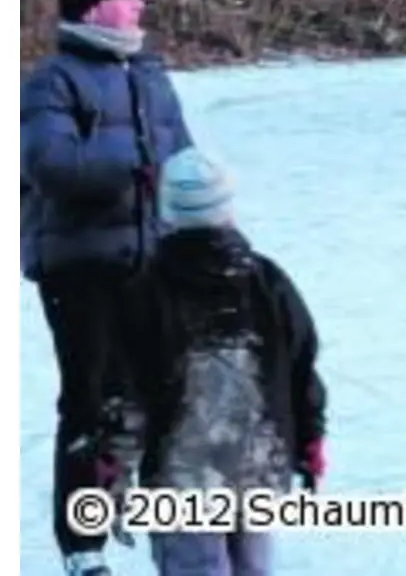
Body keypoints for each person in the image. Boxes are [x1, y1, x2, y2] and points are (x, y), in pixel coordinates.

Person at [21, 0, 197, 576]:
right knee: (89, 404)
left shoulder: (150, 76)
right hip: (81, 269)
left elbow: (183, 165)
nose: (139, 4)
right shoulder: (52, 81)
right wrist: (134, 161)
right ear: (93, 7)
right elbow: (50, 166)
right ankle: (82, 547)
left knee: (163, 394)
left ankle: (162, 525)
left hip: (152, 264)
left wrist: (201, 219)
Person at [105, 147, 328, 576]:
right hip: (260, 462)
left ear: (166, 211)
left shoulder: (144, 293)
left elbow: (126, 394)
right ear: (228, 208)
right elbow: (302, 366)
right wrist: (310, 438)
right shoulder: (267, 281)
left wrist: (114, 465)